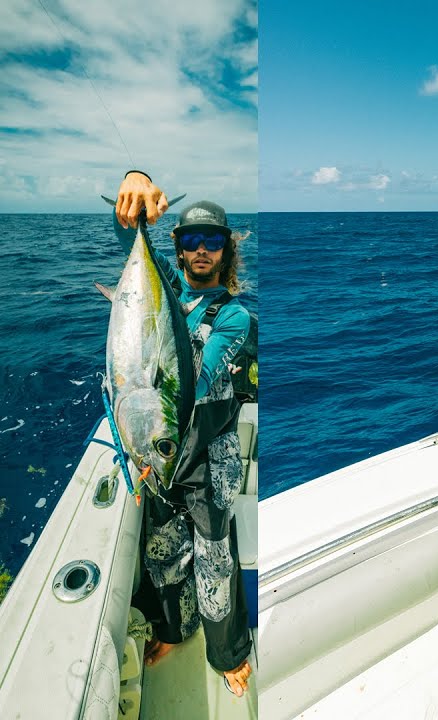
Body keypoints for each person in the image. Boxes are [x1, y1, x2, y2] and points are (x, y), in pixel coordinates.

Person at [113, 171, 254, 697]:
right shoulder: (162, 292)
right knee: (162, 553)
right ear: (176, 247)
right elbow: (125, 237)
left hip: (208, 462)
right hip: (163, 451)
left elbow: (201, 378)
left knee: (215, 563)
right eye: (190, 240)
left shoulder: (236, 316)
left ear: (226, 251)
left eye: (211, 241)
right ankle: (174, 628)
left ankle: (228, 653)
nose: (200, 250)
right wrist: (136, 186)